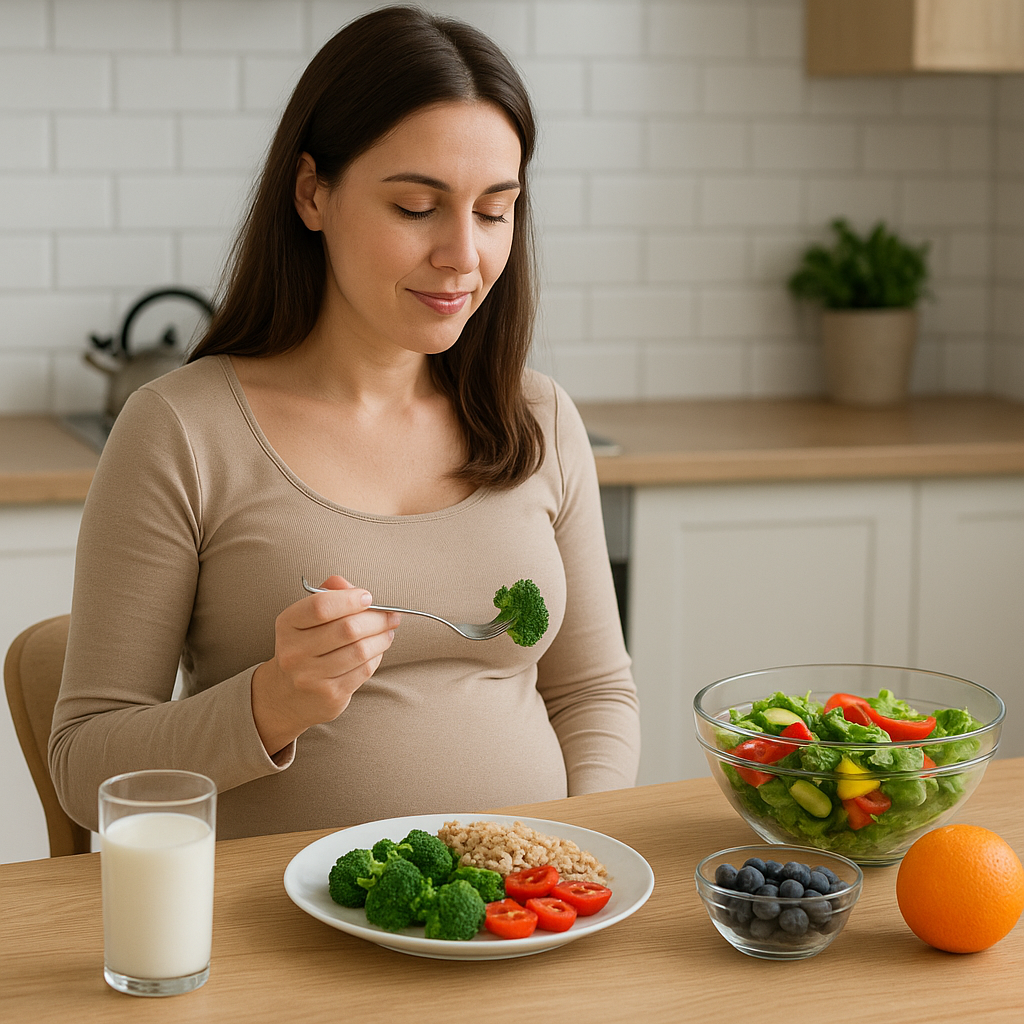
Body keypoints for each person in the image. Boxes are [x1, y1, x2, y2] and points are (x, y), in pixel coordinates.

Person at [49, 5, 640, 841]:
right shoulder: (181, 431)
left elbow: (593, 694)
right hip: (276, 942)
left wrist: (581, 854)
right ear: (312, 192)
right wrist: (272, 703)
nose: (463, 256)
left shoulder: (537, 417)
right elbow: (83, 763)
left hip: (526, 925)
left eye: (494, 210)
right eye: (415, 207)